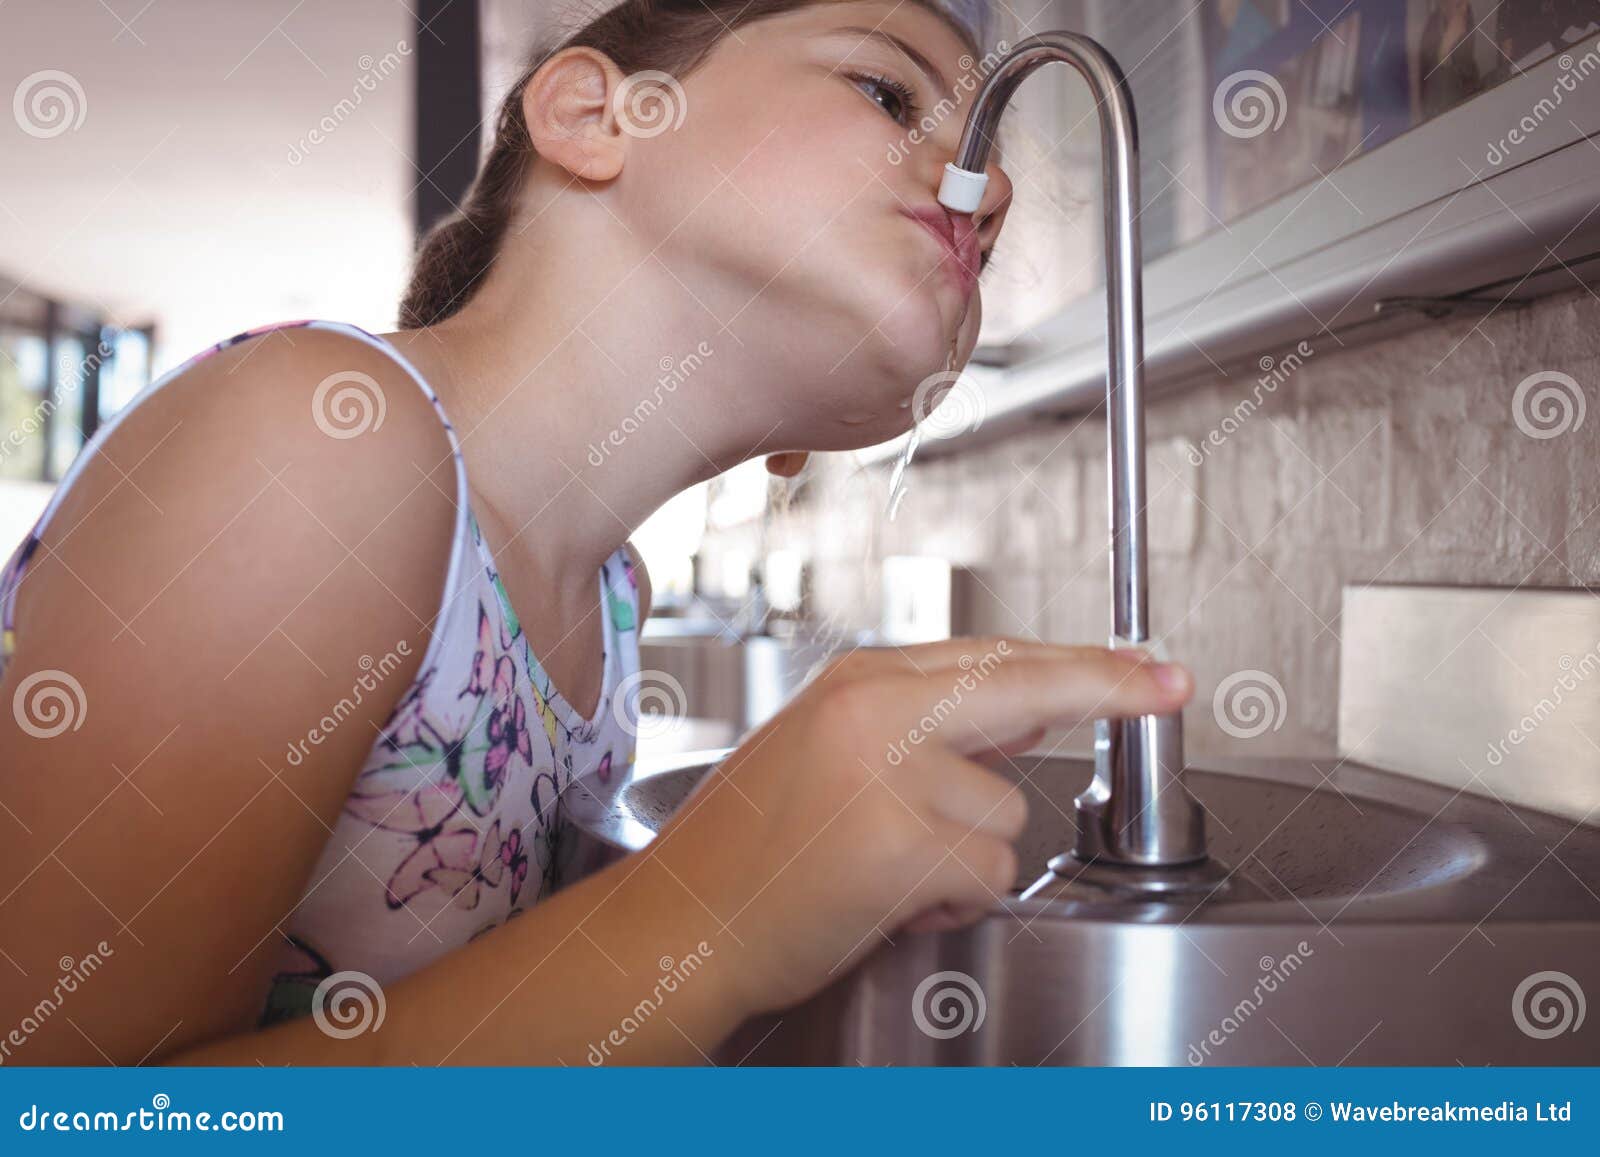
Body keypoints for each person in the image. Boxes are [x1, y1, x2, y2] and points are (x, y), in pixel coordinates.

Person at [0, 0, 1193, 1065]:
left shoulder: (607, 598)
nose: (973, 194)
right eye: (885, 92)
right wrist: (703, 912)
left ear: (803, 443)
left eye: (992, 229)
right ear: (590, 113)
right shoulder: (313, 437)